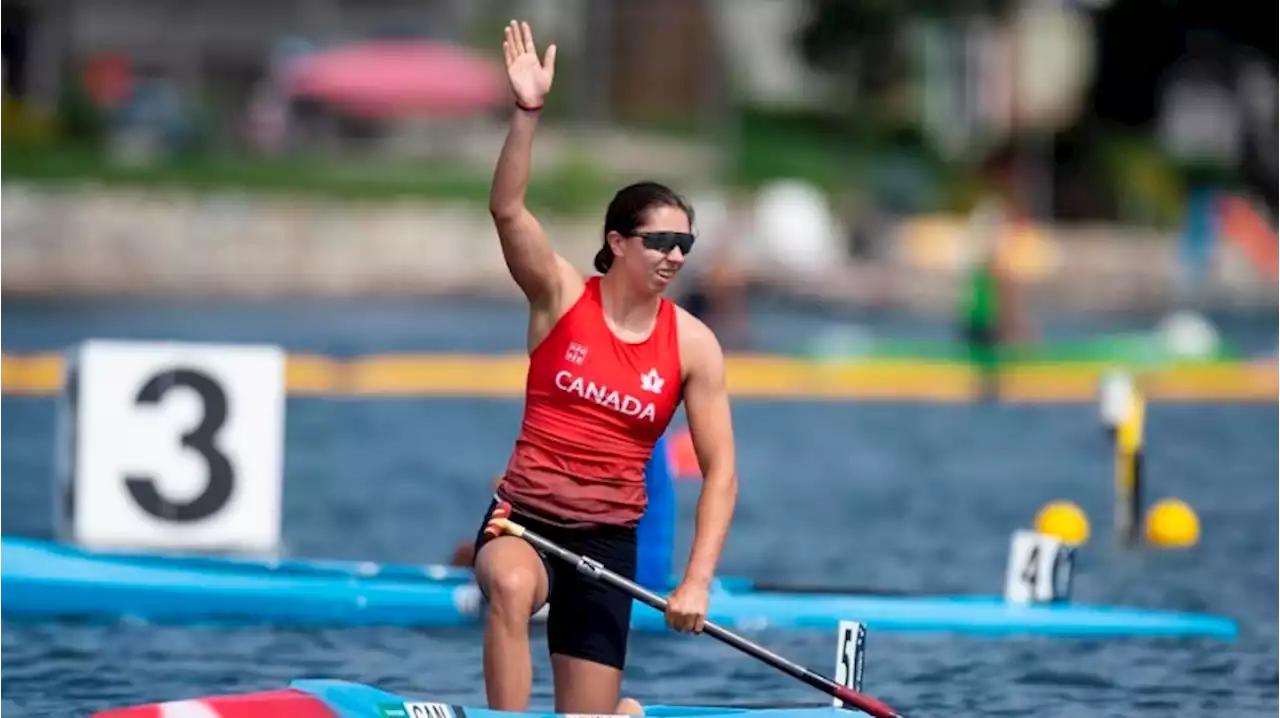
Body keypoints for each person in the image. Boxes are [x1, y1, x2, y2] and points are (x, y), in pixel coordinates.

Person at [470, 20, 739, 716]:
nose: (677, 255)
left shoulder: (694, 346)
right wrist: (528, 112)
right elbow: (506, 210)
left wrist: (697, 582)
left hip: (608, 546)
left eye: (686, 243)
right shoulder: (559, 297)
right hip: (523, 523)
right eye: (661, 240)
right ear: (617, 243)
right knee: (505, 586)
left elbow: (721, 474)